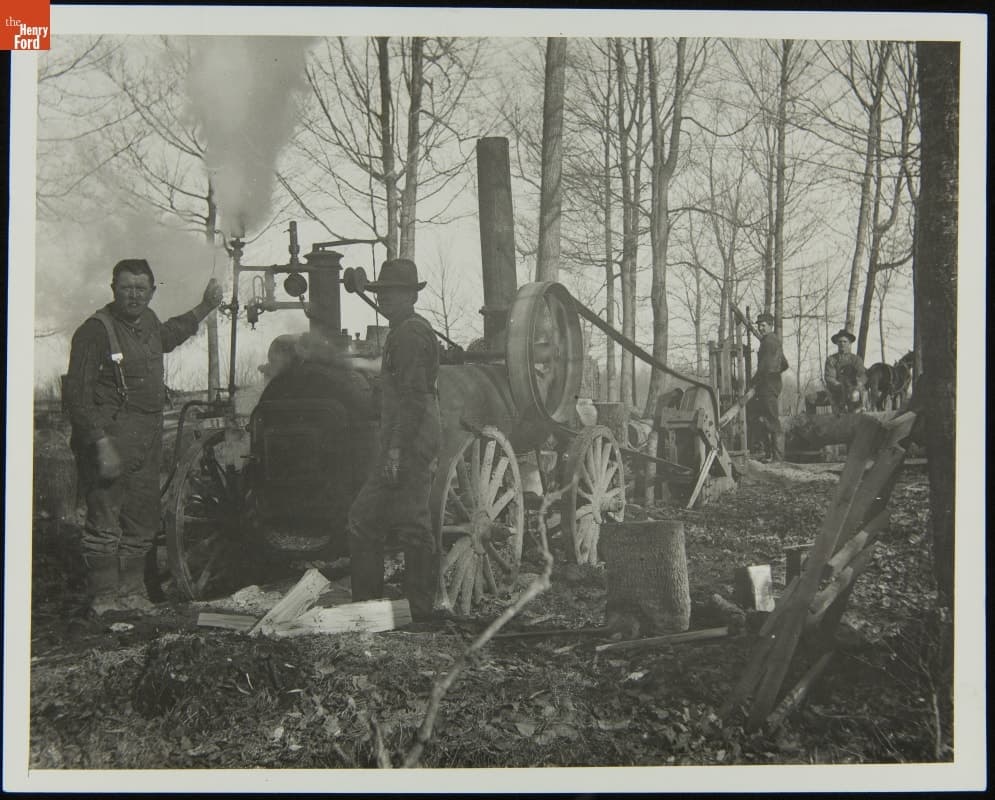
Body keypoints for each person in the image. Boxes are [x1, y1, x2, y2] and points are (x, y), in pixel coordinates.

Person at [64, 259, 224, 615]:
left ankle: (132, 594)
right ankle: (105, 599)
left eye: (141, 289)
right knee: (105, 523)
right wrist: (100, 444)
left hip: (145, 442)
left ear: (152, 292)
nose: (134, 295)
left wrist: (205, 306)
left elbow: (171, 333)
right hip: (108, 441)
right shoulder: (94, 332)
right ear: (113, 290)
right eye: (126, 288)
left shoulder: (149, 322)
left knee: (142, 520)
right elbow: (77, 397)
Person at [346, 258, 444, 624]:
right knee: (370, 520)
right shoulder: (400, 333)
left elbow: (413, 399)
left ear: (411, 296)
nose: (383, 298)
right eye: (381, 292)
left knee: (409, 524)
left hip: (412, 440)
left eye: (392, 292)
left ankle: (419, 612)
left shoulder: (410, 335)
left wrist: (396, 450)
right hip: (405, 438)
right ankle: (372, 610)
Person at [750, 312, 788, 462]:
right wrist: (775, 373)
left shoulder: (769, 342)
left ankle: (777, 458)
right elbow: (785, 364)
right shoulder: (773, 340)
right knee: (765, 419)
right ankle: (770, 455)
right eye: (759, 325)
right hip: (770, 384)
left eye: (763, 325)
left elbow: (764, 367)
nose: (760, 328)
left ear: (770, 325)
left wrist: (753, 382)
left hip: (767, 386)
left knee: (772, 420)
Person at [824, 328, 866, 414]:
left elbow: (862, 375)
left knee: (856, 397)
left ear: (849, 343)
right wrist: (841, 386)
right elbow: (829, 377)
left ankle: (860, 409)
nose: (842, 344)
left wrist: (857, 384)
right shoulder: (831, 359)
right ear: (837, 343)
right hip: (837, 391)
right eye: (840, 341)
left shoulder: (856, 359)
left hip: (854, 390)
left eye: (845, 341)